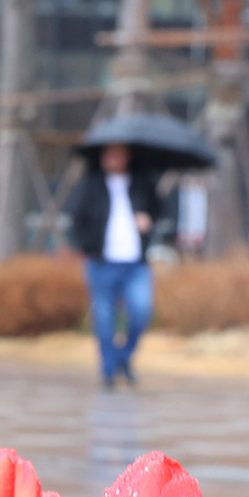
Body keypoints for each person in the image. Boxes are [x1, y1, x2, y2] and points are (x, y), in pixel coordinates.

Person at [69, 143, 161, 389]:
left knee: (141, 312)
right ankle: (108, 371)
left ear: (128, 156)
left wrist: (147, 219)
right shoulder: (91, 185)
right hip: (102, 262)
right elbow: (77, 222)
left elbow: (159, 210)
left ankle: (123, 358)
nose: (113, 159)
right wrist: (90, 248)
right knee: (105, 317)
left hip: (136, 262)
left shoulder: (142, 184)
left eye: (118, 154)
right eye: (108, 154)